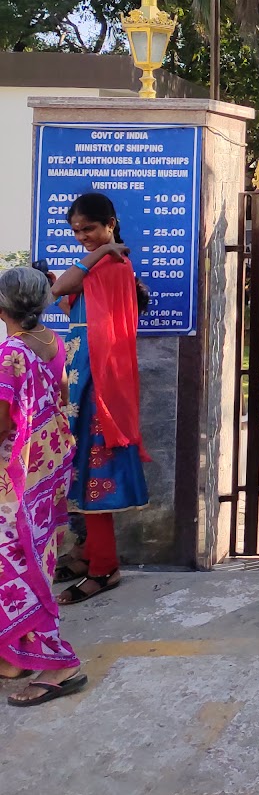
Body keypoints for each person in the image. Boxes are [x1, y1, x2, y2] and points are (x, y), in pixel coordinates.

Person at [47, 192, 150, 604]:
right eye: (76, 231)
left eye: (89, 228)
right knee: (77, 470)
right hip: (80, 380)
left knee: (94, 473)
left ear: (109, 223)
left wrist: (103, 249)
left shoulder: (112, 262)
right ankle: (87, 552)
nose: (81, 237)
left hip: (97, 386)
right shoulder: (104, 260)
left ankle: (105, 568)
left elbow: (59, 289)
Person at [0, 266, 87, 705]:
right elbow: (64, 395)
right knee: (34, 556)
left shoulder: (10, 353)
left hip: (19, 473)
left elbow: (0, 423)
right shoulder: (51, 340)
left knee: (16, 564)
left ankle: (61, 664)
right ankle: (15, 655)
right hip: (50, 463)